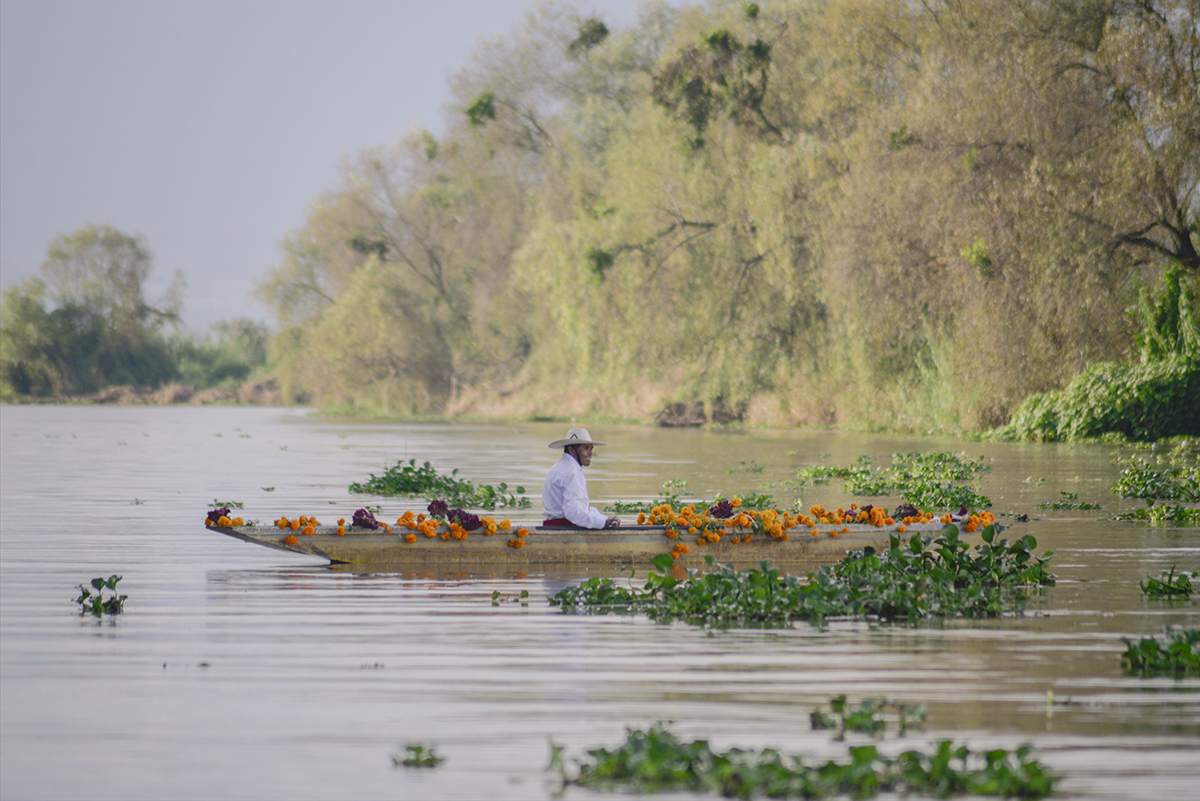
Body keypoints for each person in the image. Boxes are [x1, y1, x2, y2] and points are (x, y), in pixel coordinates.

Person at [542, 428, 621, 529]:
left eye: (591, 449)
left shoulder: (559, 467)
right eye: (586, 448)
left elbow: (580, 510)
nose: (590, 453)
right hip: (564, 528)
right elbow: (573, 512)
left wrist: (603, 519)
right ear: (571, 450)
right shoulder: (572, 472)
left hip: (552, 527)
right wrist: (603, 522)